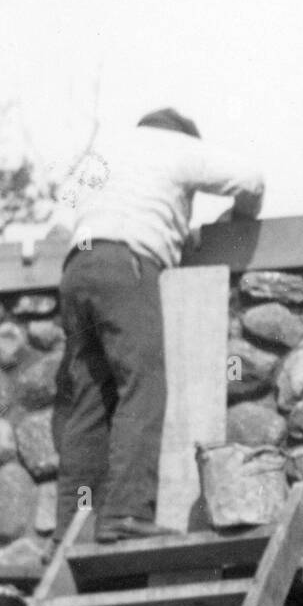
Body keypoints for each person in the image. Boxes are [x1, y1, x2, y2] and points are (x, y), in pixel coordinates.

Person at [52, 107, 265, 544]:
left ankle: (72, 529)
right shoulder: (177, 147)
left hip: (77, 269)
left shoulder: (108, 148)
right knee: (143, 385)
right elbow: (251, 179)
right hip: (126, 266)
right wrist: (239, 221)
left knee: (89, 402)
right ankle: (127, 514)